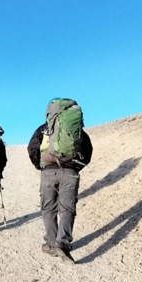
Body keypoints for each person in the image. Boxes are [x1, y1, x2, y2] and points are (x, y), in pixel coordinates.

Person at [27, 99, 93, 261]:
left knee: (48, 209)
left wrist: (41, 167)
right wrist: (75, 168)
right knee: (67, 209)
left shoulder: (43, 129)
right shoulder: (77, 131)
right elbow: (88, 152)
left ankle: (51, 244)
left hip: (48, 173)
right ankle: (63, 243)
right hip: (70, 173)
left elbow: (32, 149)